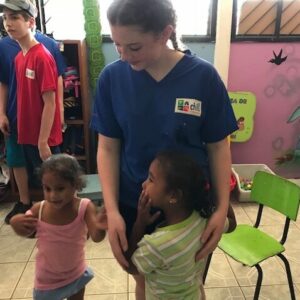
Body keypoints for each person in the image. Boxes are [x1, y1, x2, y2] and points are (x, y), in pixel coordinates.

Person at [90, 0, 238, 298]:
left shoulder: (203, 77)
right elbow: (107, 148)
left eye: (134, 47)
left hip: (191, 206)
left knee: (191, 279)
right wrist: (114, 210)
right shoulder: (112, 78)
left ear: (164, 33)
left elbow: (218, 147)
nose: (125, 56)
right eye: (118, 45)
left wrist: (221, 208)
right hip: (136, 200)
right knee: (144, 280)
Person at [125, 151, 236, 299]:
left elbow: (131, 266)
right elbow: (232, 223)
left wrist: (140, 223)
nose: (144, 184)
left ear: (173, 196)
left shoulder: (157, 245)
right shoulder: (204, 223)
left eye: (151, 179)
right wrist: (220, 197)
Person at [0, 0, 65, 224]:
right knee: (42, 181)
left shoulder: (43, 56)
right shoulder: (19, 58)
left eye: (15, 18)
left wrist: (43, 141)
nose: (8, 23)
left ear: (30, 21)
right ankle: (45, 220)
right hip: (26, 134)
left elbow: (50, 102)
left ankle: (63, 222)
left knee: (55, 182)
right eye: (6, 18)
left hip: (43, 138)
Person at [10, 153, 107, 300]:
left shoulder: (84, 207)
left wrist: (101, 225)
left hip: (76, 273)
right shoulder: (39, 209)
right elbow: (27, 232)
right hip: (47, 279)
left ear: (75, 185)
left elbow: (97, 237)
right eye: (47, 189)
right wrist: (15, 222)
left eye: (60, 188)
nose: (53, 195)